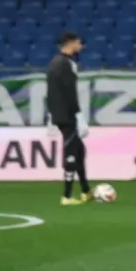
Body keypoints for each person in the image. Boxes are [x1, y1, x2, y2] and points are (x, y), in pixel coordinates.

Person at [46, 32, 92, 206]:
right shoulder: (66, 64)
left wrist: (51, 113)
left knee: (79, 150)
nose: (81, 46)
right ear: (70, 43)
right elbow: (70, 92)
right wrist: (78, 115)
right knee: (72, 152)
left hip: (59, 113)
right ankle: (67, 196)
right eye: (78, 42)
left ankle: (86, 191)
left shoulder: (54, 62)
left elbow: (52, 91)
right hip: (67, 114)